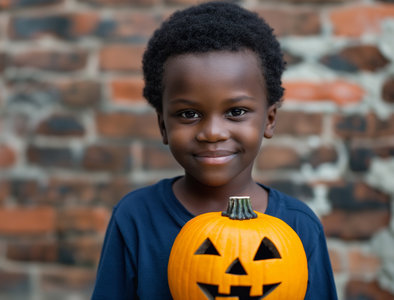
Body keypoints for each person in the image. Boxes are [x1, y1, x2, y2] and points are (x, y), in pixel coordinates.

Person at [91, 1, 338, 299]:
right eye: (189, 114)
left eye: (236, 111)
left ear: (269, 120)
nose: (212, 133)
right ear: (162, 125)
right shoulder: (135, 218)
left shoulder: (299, 225)